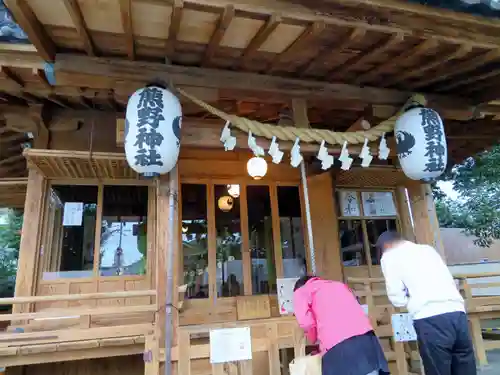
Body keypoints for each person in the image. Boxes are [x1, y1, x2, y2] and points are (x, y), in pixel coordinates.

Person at [377, 231, 476, 375]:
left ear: (384, 246)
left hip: (430, 317)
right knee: (465, 367)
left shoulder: (389, 257)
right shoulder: (427, 250)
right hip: (457, 312)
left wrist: (408, 300)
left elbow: (397, 298)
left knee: (438, 369)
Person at [293, 276, 389, 375]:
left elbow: (306, 323)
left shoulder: (301, 291)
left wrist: (313, 338)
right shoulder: (338, 285)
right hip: (366, 339)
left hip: (339, 347)